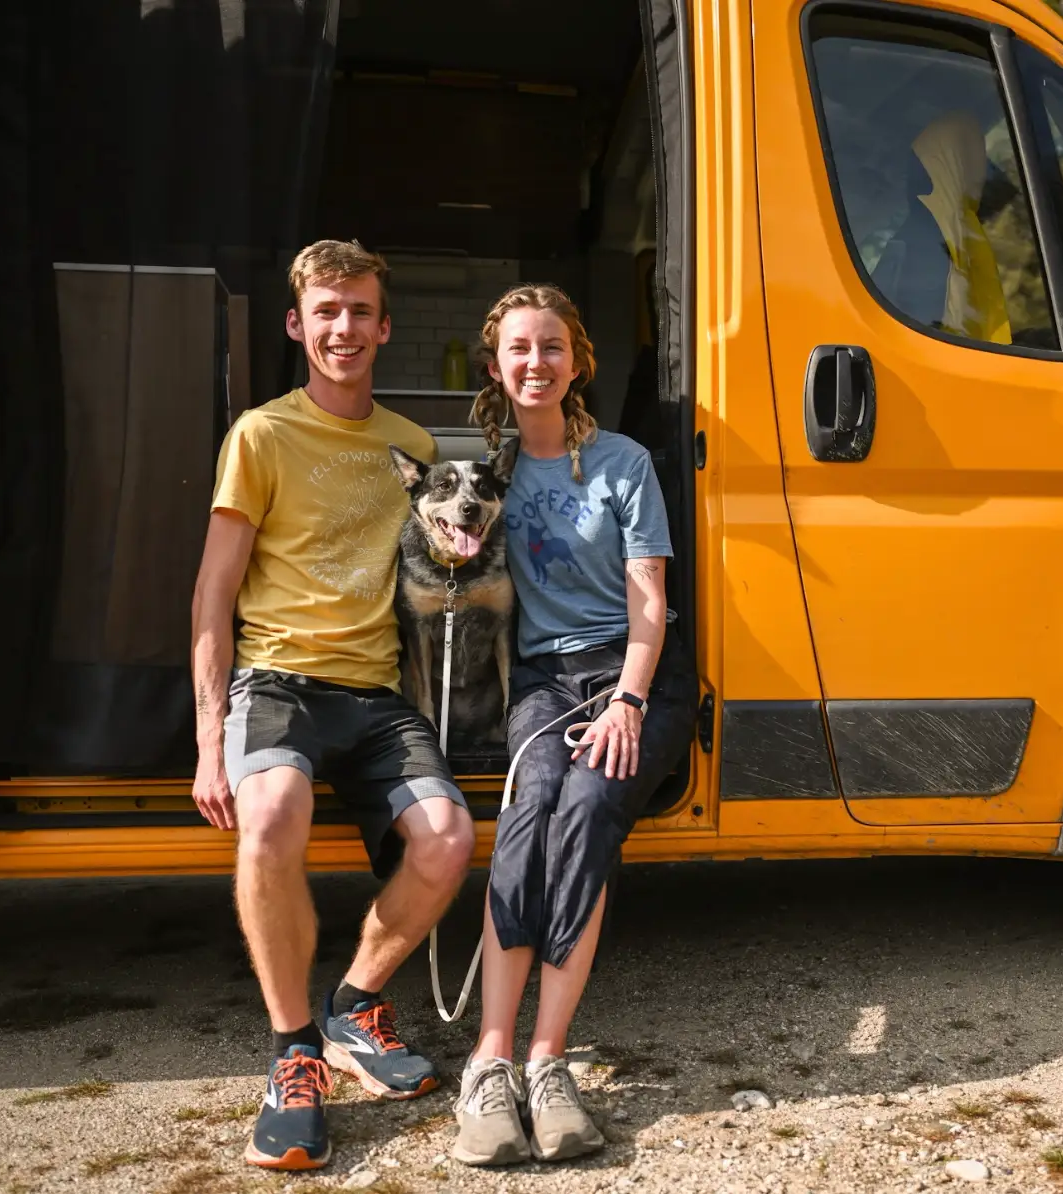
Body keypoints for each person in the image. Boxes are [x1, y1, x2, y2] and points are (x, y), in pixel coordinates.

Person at [190, 240, 476, 1171]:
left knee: (447, 840)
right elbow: (213, 595)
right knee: (270, 816)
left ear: (384, 327)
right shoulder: (262, 436)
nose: (344, 328)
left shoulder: (416, 450)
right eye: (327, 312)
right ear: (297, 324)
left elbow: (436, 576)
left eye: (360, 312)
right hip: (276, 684)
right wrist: (208, 741)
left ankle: (355, 1007)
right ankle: (292, 1057)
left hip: (377, 691)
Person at [452, 285, 697, 1166]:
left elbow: (650, 608)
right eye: (519, 348)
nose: (535, 362)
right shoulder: (490, 477)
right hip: (547, 682)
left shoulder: (625, 463)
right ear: (496, 367)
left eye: (552, 346)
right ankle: (489, 1063)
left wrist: (630, 701)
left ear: (577, 362)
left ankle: (549, 1061)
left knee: (589, 804)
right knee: (532, 811)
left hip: (635, 674)